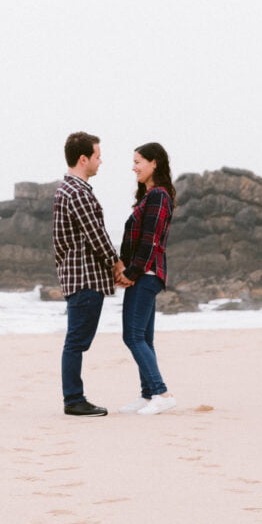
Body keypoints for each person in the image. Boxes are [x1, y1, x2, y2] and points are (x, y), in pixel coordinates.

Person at [53, 131, 125, 417]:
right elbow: (96, 235)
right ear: (83, 159)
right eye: (97, 156)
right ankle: (73, 400)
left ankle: (74, 398)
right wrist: (116, 265)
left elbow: (62, 244)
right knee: (76, 342)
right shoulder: (77, 193)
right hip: (85, 279)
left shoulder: (66, 190)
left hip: (77, 276)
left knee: (76, 341)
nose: (101, 161)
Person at [116, 141, 177, 415]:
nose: (134, 167)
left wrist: (131, 273)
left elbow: (150, 242)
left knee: (133, 336)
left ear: (155, 163)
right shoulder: (149, 195)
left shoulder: (159, 196)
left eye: (138, 161)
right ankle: (148, 394)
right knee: (144, 337)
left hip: (147, 274)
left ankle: (161, 392)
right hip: (145, 274)